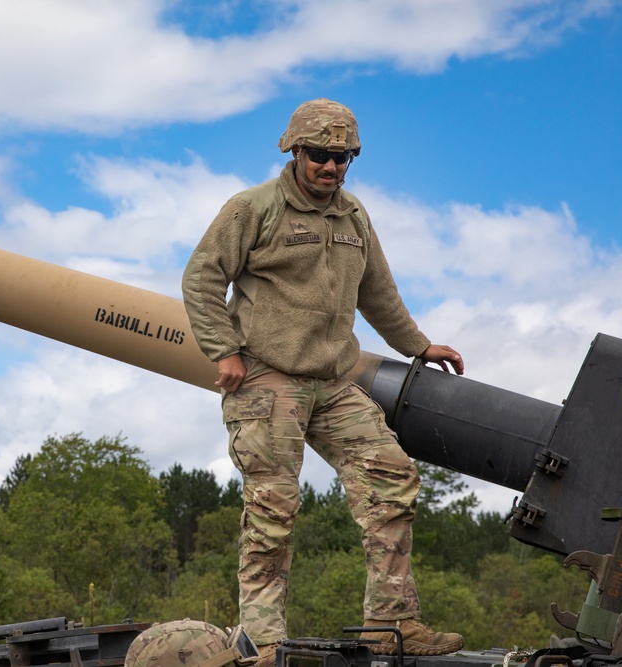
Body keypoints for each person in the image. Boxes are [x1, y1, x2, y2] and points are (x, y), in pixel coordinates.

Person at [181, 98, 465, 662]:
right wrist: (226, 351)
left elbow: (378, 292)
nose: (330, 168)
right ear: (294, 151)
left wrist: (417, 346)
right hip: (267, 379)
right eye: (319, 155)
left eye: (342, 158)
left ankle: (393, 625)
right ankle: (261, 645)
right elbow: (201, 278)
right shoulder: (252, 208)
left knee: (392, 477)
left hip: (332, 383)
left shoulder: (354, 216)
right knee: (273, 512)